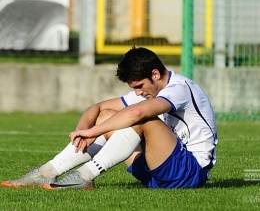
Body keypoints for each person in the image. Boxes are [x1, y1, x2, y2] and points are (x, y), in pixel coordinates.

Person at [1, 47, 218, 190]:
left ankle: (85, 177)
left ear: (155, 74)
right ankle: (47, 172)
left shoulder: (179, 88)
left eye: (140, 86)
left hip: (189, 173)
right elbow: (97, 108)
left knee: (142, 119)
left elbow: (137, 113)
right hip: (157, 173)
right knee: (107, 116)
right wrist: (83, 131)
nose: (139, 92)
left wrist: (93, 132)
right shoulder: (148, 89)